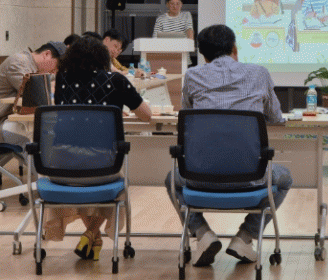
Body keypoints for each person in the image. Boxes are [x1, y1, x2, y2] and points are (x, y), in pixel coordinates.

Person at [165, 24, 292, 268]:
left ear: (203, 55)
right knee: (284, 178)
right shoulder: (259, 73)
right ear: (234, 48)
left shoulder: (192, 75)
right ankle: (245, 236)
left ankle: (202, 233)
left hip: (200, 176)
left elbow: (188, 117)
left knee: (172, 179)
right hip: (251, 177)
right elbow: (276, 117)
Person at [45, 36, 151, 260]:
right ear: (103, 58)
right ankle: (92, 232)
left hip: (61, 166)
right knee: (110, 180)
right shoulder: (116, 80)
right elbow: (147, 115)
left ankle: (92, 237)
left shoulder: (62, 79)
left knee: (82, 176)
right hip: (103, 166)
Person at [0, 41, 66, 153]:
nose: (56, 71)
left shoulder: (33, 66)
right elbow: (37, 95)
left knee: (50, 133)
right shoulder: (19, 62)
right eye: (58, 66)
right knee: (39, 138)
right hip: (3, 121)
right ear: (46, 54)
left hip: (13, 118)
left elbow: (52, 83)